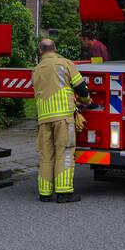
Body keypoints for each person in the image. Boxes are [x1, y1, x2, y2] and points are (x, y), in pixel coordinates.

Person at [32, 38, 91, 203]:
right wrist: (86, 101)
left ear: (40, 52)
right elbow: (80, 87)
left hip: (44, 119)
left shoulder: (36, 70)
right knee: (64, 153)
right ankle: (64, 193)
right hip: (63, 118)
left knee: (46, 156)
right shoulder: (65, 64)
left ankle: (44, 194)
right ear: (55, 49)